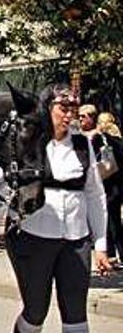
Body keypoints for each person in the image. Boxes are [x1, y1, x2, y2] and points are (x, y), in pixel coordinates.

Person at [0, 84, 112, 333]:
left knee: (76, 316)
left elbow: (95, 195)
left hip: (76, 241)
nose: (69, 115)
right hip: (32, 238)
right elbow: (0, 188)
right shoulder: (28, 140)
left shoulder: (82, 144)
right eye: (63, 108)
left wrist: (100, 245)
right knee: (35, 314)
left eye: (73, 109)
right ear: (47, 109)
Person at [84, 108, 123, 266]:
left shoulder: (103, 139)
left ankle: (112, 255)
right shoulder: (119, 140)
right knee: (115, 222)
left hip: (108, 187)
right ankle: (116, 254)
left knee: (109, 221)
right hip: (118, 187)